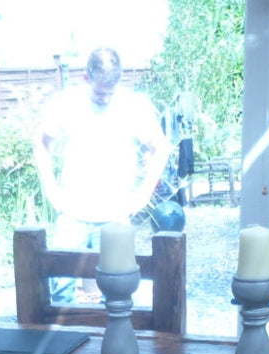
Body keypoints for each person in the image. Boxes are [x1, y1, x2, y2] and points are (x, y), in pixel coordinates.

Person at [33, 47, 169, 301]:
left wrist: (143, 194)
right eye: (99, 92)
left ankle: (113, 342)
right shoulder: (67, 104)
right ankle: (64, 340)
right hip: (72, 214)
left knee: (119, 296)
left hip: (115, 216)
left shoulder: (132, 105)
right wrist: (51, 189)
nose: (106, 98)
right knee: (60, 291)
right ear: (86, 78)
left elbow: (160, 147)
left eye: (110, 92)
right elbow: (40, 142)